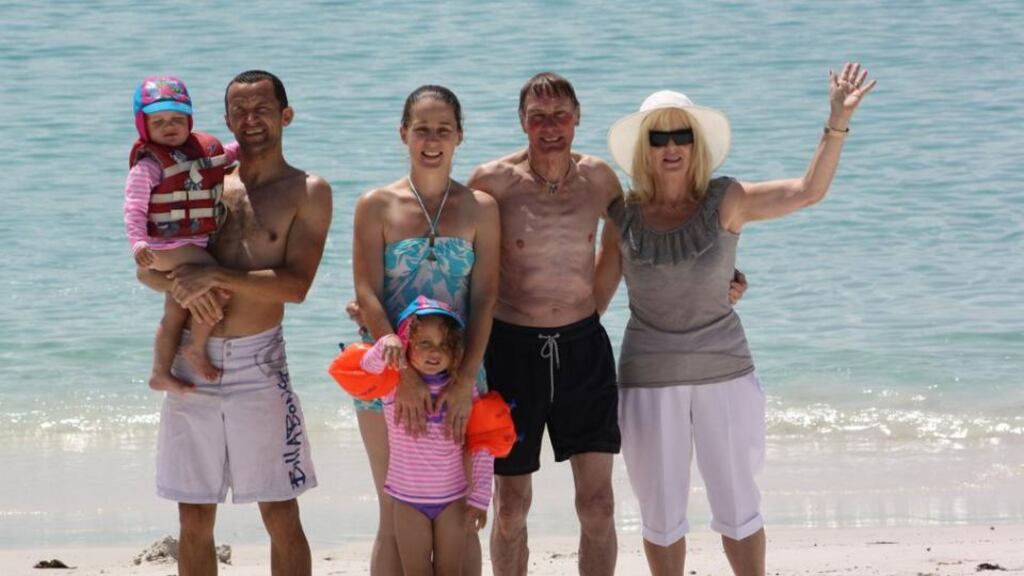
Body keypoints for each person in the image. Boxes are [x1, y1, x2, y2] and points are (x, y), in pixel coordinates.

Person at [596, 62, 876, 575]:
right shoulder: (622, 217)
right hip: (648, 379)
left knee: (739, 507)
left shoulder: (726, 200)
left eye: (682, 135)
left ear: (696, 143)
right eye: (659, 137)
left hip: (725, 374)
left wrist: (837, 121)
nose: (671, 146)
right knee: (660, 516)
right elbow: (592, 302)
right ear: (644, 147)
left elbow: (807, 191)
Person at [138, 70, 333, 576]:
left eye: (262, 108)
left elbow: (296, 286)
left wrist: (215, 277)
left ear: (286, 115)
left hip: (258, 364)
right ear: (226, 121)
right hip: (189, 360)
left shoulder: (308, 191)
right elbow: (149, 269)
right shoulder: (201, 180)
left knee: (280, 512)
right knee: (193, 517)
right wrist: (176, 285)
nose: (251, 119)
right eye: (239, 111)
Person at [351, 84, 500, 575]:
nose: (432, 140)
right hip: (387, 378)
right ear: (403, 134)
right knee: (393, 508)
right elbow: (368, 292)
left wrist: (464, 380)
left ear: (459, 136)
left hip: (461, 376)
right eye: (421, 129)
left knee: (462, 513)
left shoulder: (481, 208)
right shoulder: (375, 204)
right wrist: (404, 376)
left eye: (443, 130)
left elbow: (485, 298)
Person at [354, 296, 494, 576]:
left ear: (456, 350)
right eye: (425, 343)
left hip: (453, 499)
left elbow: (482, 447)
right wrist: (387, 342)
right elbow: (367, 367)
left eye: (444, 345)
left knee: (450, 571)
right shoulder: (394, 386)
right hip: (407, 501)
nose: (435, 352)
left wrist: (480, 498)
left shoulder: (462, 392)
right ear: (407, 344)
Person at [125, 75, 240, 391]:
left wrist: (250, 146)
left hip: (188, 245)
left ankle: (160, 373)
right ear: (143, 126)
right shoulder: (148, 166)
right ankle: (195, 348)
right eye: (158, 121)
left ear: (189, 120)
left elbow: (228, 155)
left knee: (174, 312)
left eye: (177, 119)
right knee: (215, 282)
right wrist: (138, 244)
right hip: (163, 247)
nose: (169, 127)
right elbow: (134, 208)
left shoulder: (201, 150)